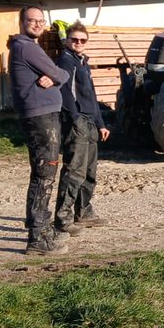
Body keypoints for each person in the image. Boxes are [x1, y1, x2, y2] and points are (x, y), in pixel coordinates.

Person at [9, 5, 71, 256]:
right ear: (22, 22)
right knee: (44, 174)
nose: (37, 24)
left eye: (40, 20)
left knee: (45, 173)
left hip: (43, 116)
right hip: (40, 118)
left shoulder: (27, 47)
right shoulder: (27, 47)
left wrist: (54, 77)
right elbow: (61, 72)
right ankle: (37, 237)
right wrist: (55, 76)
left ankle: (43, 229)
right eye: (31, 20)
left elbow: (56, 74)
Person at [55, 21, 110, 231]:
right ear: (67, 40)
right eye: (74, 39)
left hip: (90, 122)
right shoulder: (66, 62)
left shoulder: (83, 63)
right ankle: (63, 218)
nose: (78, 43)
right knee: (74, 171)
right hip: (77, 123)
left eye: (82, 40)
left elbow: (92, 96)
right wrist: (75, 116)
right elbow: (64, 91)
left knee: (89, 171)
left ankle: (83, 211)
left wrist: (101, 123)